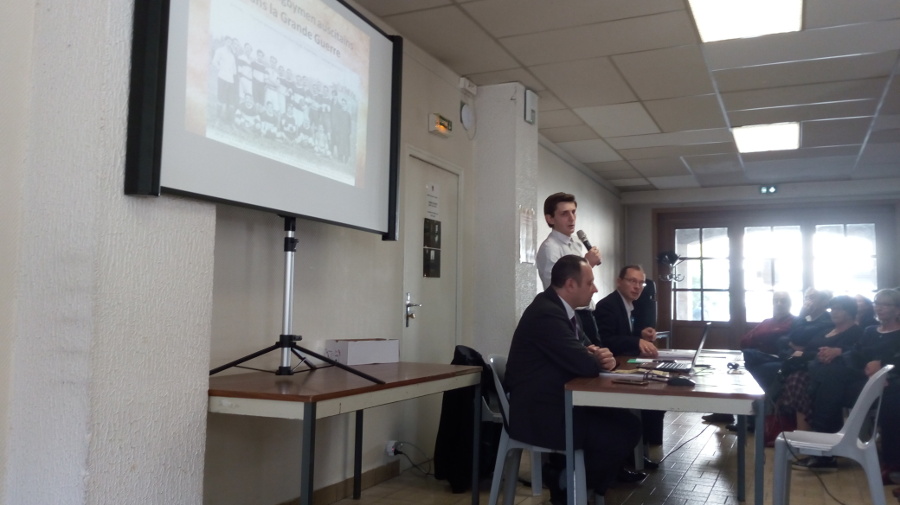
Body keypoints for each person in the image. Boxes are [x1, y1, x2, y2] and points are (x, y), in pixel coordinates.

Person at [505, 255, 642, 503]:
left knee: (627, 422)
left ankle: (573, 482)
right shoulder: (546, 313)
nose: (595, 289)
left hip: (559, 403)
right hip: (540, 415)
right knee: (621, 432)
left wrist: (597, 356)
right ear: (570, 284)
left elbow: (591, 349)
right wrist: (594, 357)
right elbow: (586, 362)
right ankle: (568, 484)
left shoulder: (566, 312)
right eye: (589, 283)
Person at [794, 289, 900, 470]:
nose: (879, 308)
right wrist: (837, 352)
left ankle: (825, 454)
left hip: (887, 382)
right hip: (861, 377)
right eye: (877, 303)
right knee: (830, 381)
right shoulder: (870, 331)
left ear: (897, 309)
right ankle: (825, 451)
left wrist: (883, 367)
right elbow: (857, 354)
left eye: (885, 304)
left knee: (828, 384)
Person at [593, 265, 664, 455]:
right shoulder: (608, 305)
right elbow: (606, 340)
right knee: (651, 394)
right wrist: (636, 341)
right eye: (632, 281)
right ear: (619, 281)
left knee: (656, 389)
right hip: (611, 370)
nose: (637, 287)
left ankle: (643, 450)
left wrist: (641, 335)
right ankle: (637, 453)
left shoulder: (631, 305)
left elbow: (622, 333)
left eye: (641, 283)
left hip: (626, 363)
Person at [703, 291, 798, 424]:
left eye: (783, 301)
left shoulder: (794, 322)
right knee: (735, 368)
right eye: (776, 301)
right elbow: (745, 340)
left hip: (780, 360)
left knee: (755, 370)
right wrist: (763, 336)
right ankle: (725, 411)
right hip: (760, 357)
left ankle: (751, 420)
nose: (779, 304)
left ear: (789, 304)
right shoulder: (767, 322)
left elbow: (778, 339)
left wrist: (761, 337)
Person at [776, 295, 862, 432]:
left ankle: (805, 430)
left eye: (839, 309)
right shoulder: (827, 329)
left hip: (826, 372)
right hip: (805, 365)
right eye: (832, 309)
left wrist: (804, 354)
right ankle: (783, 424)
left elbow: (832, 355)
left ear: (850, 311)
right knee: (778, 371)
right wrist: (802, 352)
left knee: (797, 379)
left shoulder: (856, 332)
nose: (834, 312)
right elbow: (804, 345)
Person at [535, 193, 601, 291]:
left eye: (573, 212)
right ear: (550, 219)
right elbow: (556, 287)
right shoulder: (549, 248)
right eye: (564, 214)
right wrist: (587, 263)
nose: (572, 218)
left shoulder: (576, 242)